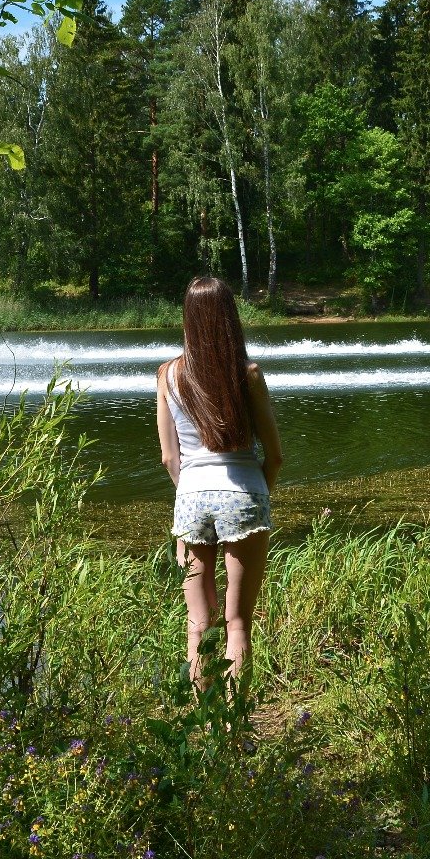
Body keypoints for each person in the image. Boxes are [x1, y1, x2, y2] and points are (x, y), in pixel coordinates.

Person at [156, 276, 283, 695]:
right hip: (243, 493)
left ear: (187, 318)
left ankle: (204, 726)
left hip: (190, 498)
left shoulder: (168, 375)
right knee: (238, 622)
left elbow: (170, 459)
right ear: (230, 317)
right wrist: (257, 498)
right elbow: (275, 454)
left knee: (198, 625)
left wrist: (187, 499)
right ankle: (234, 731)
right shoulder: (248, 374)